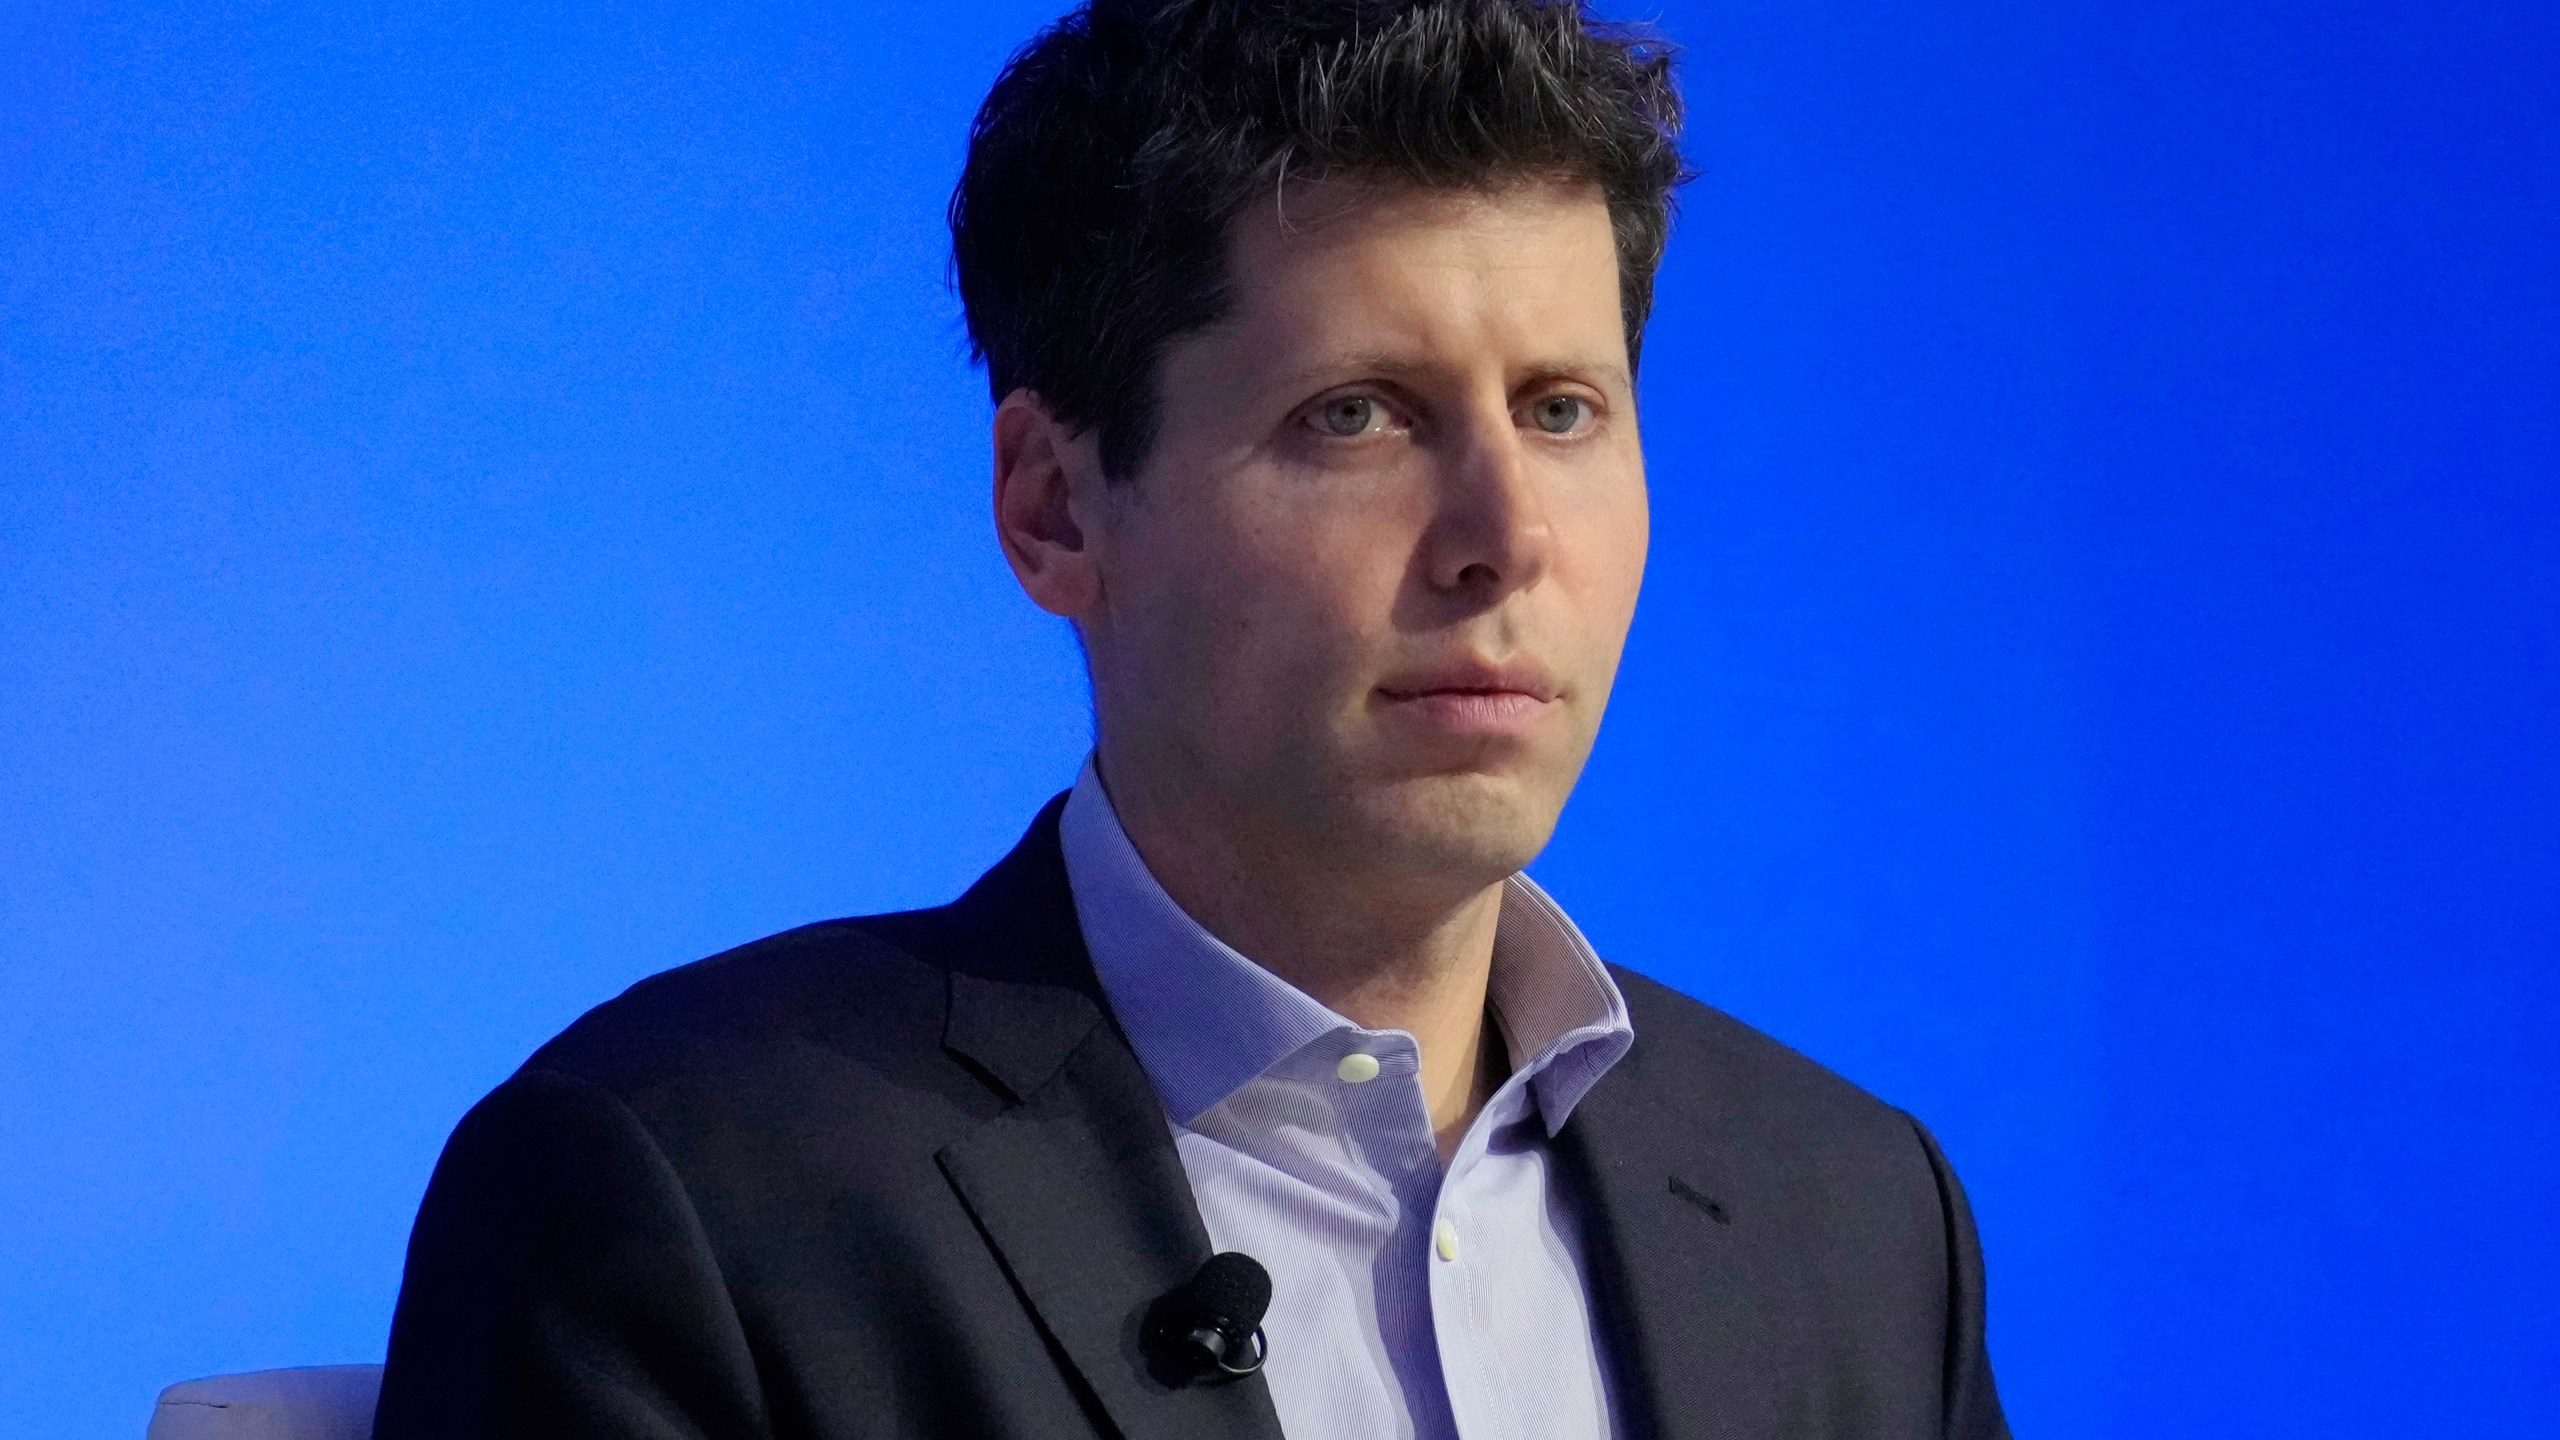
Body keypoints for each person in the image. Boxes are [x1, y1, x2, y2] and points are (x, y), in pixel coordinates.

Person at [370, 2, 2010, 1437]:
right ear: (1056, 508)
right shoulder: (690, 1197)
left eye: (1563, 409)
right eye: (1356, 415)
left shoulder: (1858, 1220)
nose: (1505, 535)